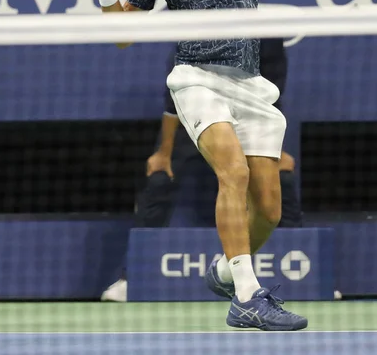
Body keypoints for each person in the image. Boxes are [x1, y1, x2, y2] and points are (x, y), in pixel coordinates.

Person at [85, 0, 307, 331]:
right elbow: (124, 33)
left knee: (268, 208)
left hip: (249, 83)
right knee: (233, 172)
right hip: (195, 76)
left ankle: (230, 268)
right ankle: (248, 296)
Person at [101, 40, 302, 302]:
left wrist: (277, 150)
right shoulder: (199, 23)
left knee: (273, 195)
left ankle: (307, 267)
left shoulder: (268, 38)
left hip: (247, 114)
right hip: (198, 112)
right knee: (161, 180)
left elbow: (272, 98)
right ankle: (132, 278)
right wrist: (164, 152)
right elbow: (173, 99)